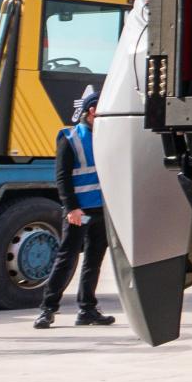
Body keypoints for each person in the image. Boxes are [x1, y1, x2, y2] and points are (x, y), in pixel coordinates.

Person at [35, 85, 114, 328]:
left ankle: (87, 309)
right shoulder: (70, 138)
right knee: (66, 258)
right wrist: (71, 208)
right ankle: (47, 309)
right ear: (92, 111)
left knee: (93, 260)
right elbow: (62, 178)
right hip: (79, 211)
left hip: (102, 209)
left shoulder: (106, 136)